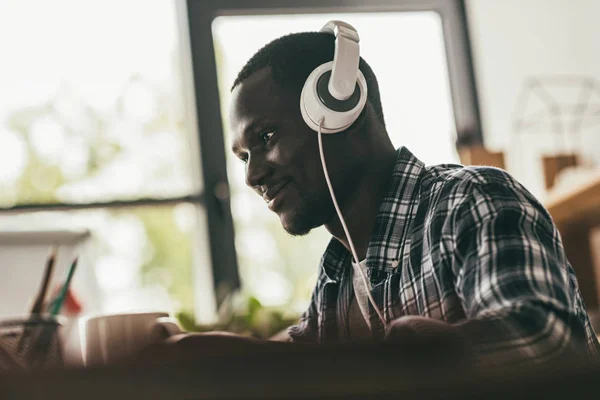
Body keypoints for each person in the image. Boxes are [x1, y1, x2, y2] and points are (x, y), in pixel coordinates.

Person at [147, 22, 599, 368]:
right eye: (244, 156)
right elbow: (291, 362)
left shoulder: (472, 201)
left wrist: (419, 350)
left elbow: (548, 339)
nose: (253, 175)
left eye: (265, 137)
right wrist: (185, 351)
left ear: (339, 109)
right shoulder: (337, 274)